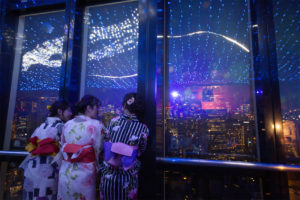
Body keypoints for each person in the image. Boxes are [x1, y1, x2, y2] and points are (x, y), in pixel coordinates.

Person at [100, 93, 149, 200]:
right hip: (128, 173)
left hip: (109, 171)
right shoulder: (143, 128)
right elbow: (141, 150)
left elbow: (106, 139)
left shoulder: (114, 121)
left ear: (124, 106)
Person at [20, 100, 72, 200]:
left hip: (33, 167)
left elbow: (31, 145)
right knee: (46, 195)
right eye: (68, 111)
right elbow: (65, 149)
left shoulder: (41, 126)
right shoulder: (61, 127)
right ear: (60, 111)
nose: (70, 113)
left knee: (32, 195)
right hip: (48, 169)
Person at [57, 95, 105, 200]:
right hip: (85, 173)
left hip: (66, 170)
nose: (98, 111)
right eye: (97, 107)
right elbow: (99, 149)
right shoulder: (97, 125)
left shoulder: (67, 124)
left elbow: (62, 144)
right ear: (88, 108)